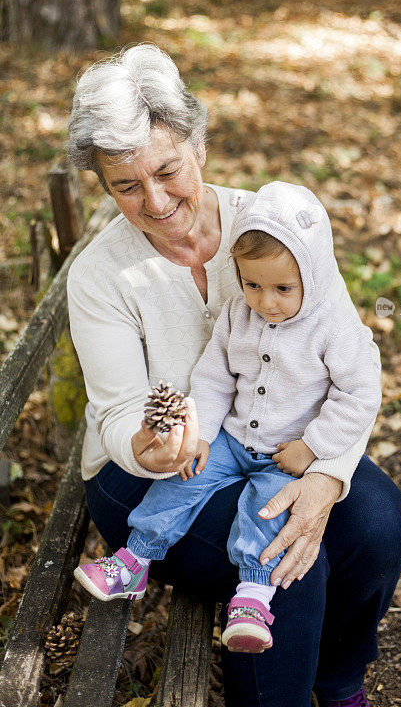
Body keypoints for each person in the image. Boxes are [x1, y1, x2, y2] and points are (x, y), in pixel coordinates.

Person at [66, 43, 401, 707]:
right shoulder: (100, 274)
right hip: (145, 476)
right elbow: (118, 412)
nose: (156, 201)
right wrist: (147, 445)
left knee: (377, 522)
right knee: (286, 565)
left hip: (278, 442)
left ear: (198, 145)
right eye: (126, 185)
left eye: (166, 170)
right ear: (104, 186)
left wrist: (326, 472)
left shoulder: (278, 229)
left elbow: (350, 358)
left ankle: (336, 683)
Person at [73, 181, 383, 657]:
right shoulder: (240, 313)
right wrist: (204, 431)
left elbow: (359, 395)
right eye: (252, 284)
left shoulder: (334, 327)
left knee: (265, 514)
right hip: (233, 436)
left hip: (286, 453)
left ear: (313, 276)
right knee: (183, 482)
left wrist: (315, 447)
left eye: (283, 288)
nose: (267, 301)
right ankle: (135, 558)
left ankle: (253, 597)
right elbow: (214, 376)